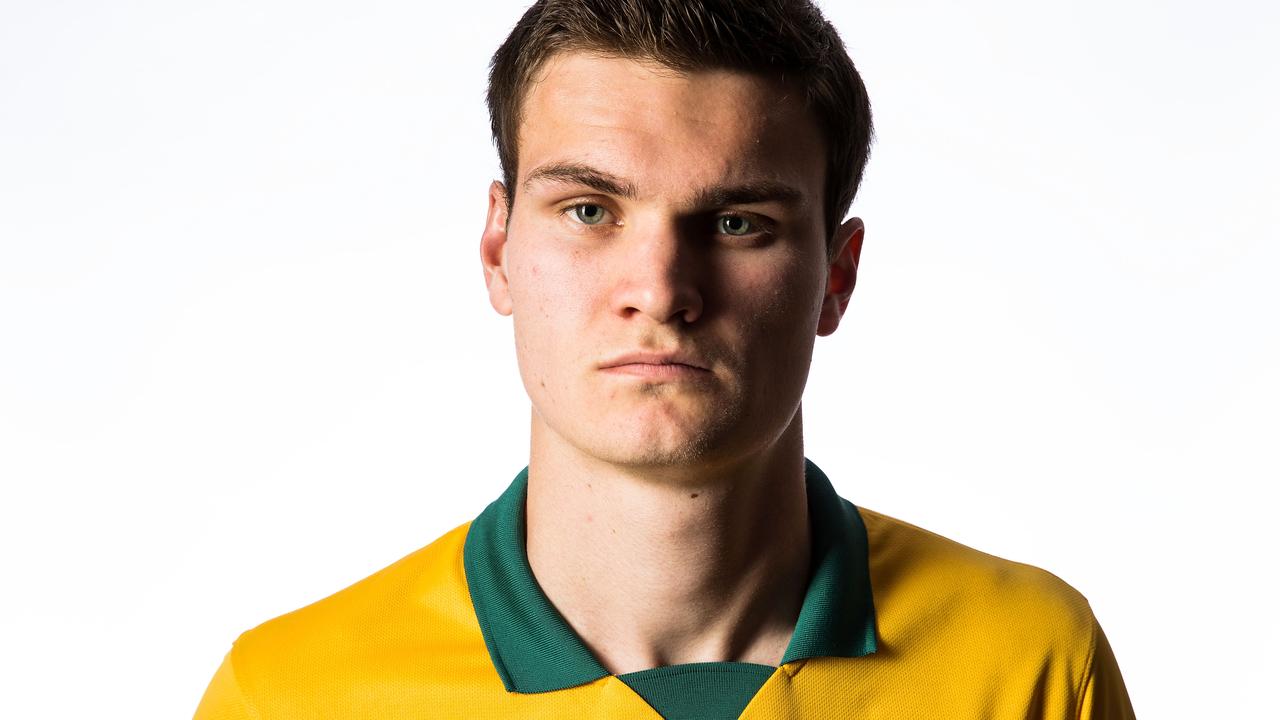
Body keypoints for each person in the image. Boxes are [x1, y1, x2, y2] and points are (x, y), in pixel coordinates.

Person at [194, 1, 1135, 718]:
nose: (661, 287)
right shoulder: (290, 694)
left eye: (737, 223)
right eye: (590, 210)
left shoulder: (1031, 664)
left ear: (836, 278)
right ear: (498, 251)